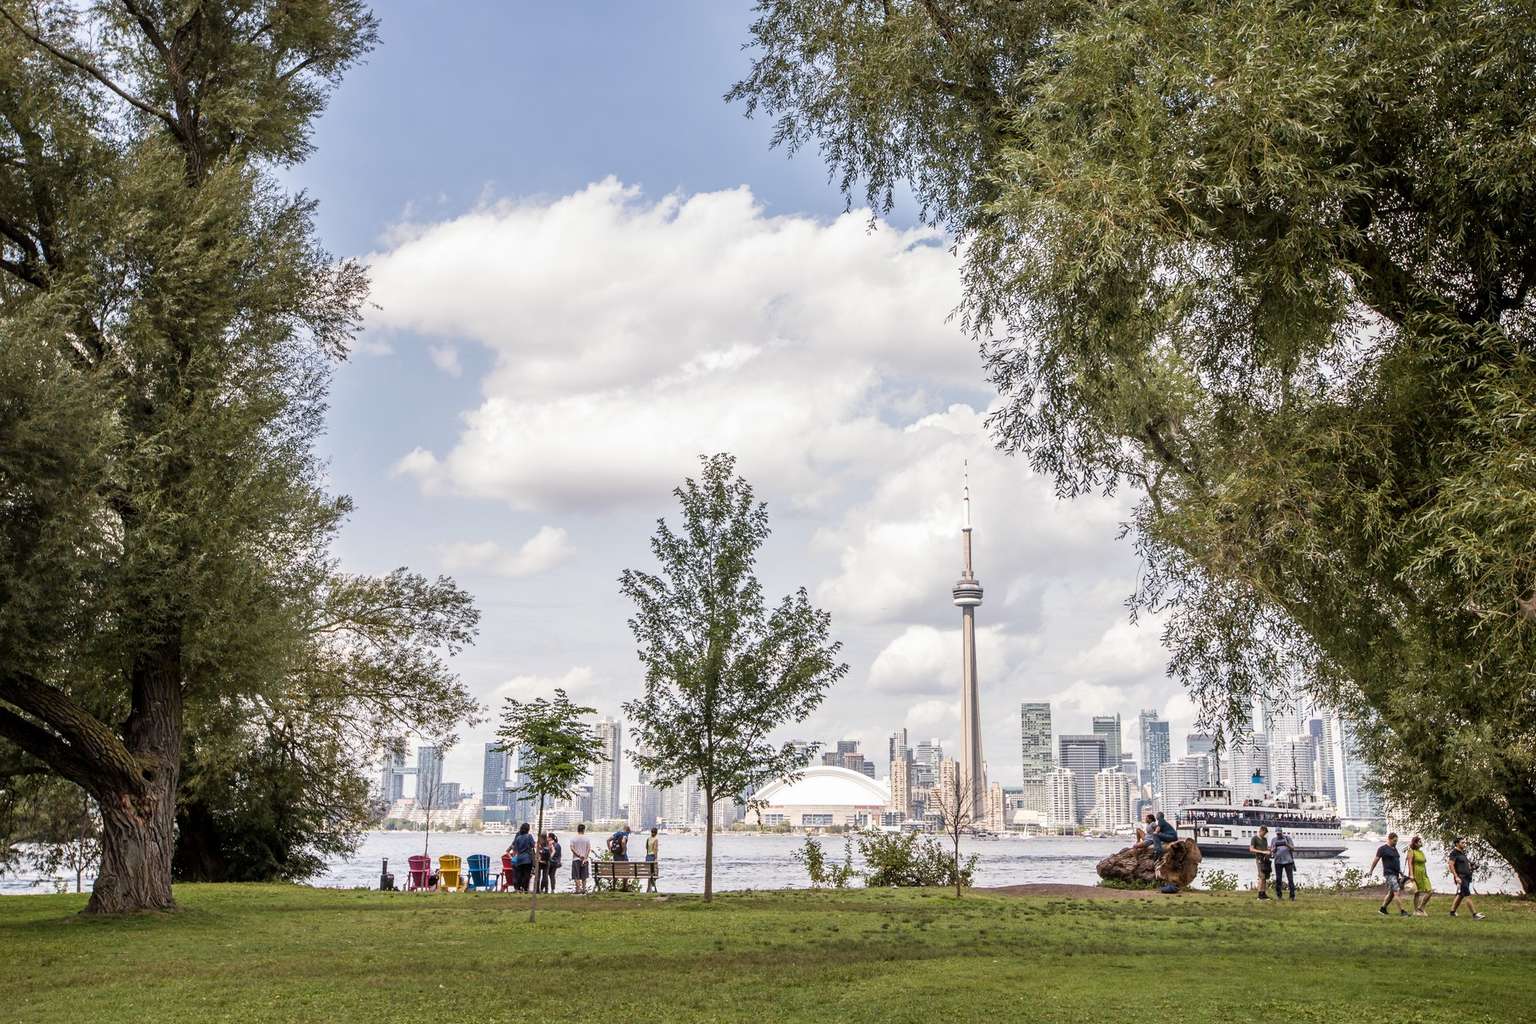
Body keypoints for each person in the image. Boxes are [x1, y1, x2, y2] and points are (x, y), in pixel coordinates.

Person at [1369, 832, 1408, 916]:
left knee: (1391, 893)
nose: (1395, 843)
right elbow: (1376, 860)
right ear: (1389, 839)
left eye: (1396, 841)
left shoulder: (1394, 849)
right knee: (1396, 891)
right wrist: (1371, 871)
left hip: (1396, 873)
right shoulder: (1382, 849)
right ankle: (1402, 911)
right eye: (1394, 841)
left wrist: (1401, 873)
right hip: (1389, 873)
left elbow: (1396, 862)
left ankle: (1382, 909)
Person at [1447, 838, 1485, 920]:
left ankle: (1452, 912)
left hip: (1466, 877)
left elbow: (1465, 865)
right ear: (1457, 844)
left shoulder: (1462, 853)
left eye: (1465, 843)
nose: (1465, 844)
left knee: (1461, 895)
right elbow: (1451, 865)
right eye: (1463, 843)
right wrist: (1456, 877)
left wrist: (1472, 867)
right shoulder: (1454, 853)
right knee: (1467, 895)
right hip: (1461, 878)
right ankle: (1474, 915)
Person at [1407, 835, 1434, 916]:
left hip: (1423, 873)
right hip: (1416, 873)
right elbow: (1410, 863)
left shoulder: (1421, 852)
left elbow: (1423, 863)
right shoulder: (1411, 851)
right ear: (1415, 843)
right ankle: (1416, 911)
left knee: (1430, 891)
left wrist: (1425, 873)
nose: (1421, 843)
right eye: (1419, 842)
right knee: (1417, 892)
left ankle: (1421, 907)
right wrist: (1411, 875)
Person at [1271, 828, 1296, 900]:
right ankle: (1279, 896)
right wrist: (1275, 848)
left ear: (1282, 832)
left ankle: (1292, 896)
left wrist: (1286, 844)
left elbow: (1293, 849)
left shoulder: (1287, 839)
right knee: (1278, 879)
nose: (1278, 835)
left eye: (1279, 833)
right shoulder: (1274, 840)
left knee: (1290, 879)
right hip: (1278, 862)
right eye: (1277, 834)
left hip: (1288, 861)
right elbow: (1272, 850)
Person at [509, 822, 535, 893]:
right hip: (527, 858)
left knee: (519, 874)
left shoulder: (518, 838)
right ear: (528, 829)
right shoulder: (529, 836)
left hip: (519, 858)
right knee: (527, 874)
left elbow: (515, 849)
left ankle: (518, 888)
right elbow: (533, 845)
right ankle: (525, 889)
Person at [1249, 826, 1272, 900]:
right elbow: (1251, 849)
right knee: (1261, 876)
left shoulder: (1265, 839)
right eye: (1264, 833)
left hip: (1266, 859)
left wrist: (1269, 850)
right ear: (1261, 831)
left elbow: (1266, 848)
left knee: (1265, 877)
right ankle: (1259, 894)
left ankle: (1263, 893)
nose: (1264, 835)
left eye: (1265, 834)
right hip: (1259, 859)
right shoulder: (1254, 838)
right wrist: (1262, 852)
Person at [570, 823, 593, 894]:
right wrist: (585, 857)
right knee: (584, 876)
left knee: (576, 876)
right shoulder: (587, 839)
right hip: (585, 860)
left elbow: (572, 848)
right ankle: (583, 889)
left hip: (576, 859)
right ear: (584, 830)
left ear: (577, 829)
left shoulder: (573, 838)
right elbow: (588, 848)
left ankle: (578, 890)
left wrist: (579, 855)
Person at [644, 827, 659, 893]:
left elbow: (646, 848)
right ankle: (651, 888)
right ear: (656, 833)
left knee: (649, 874)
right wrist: (656, 858)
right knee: (654, 873)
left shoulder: (648, 839)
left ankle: (648, 888)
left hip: (647, 857)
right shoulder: (656, 840)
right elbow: (655, 850)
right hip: (652, 857)